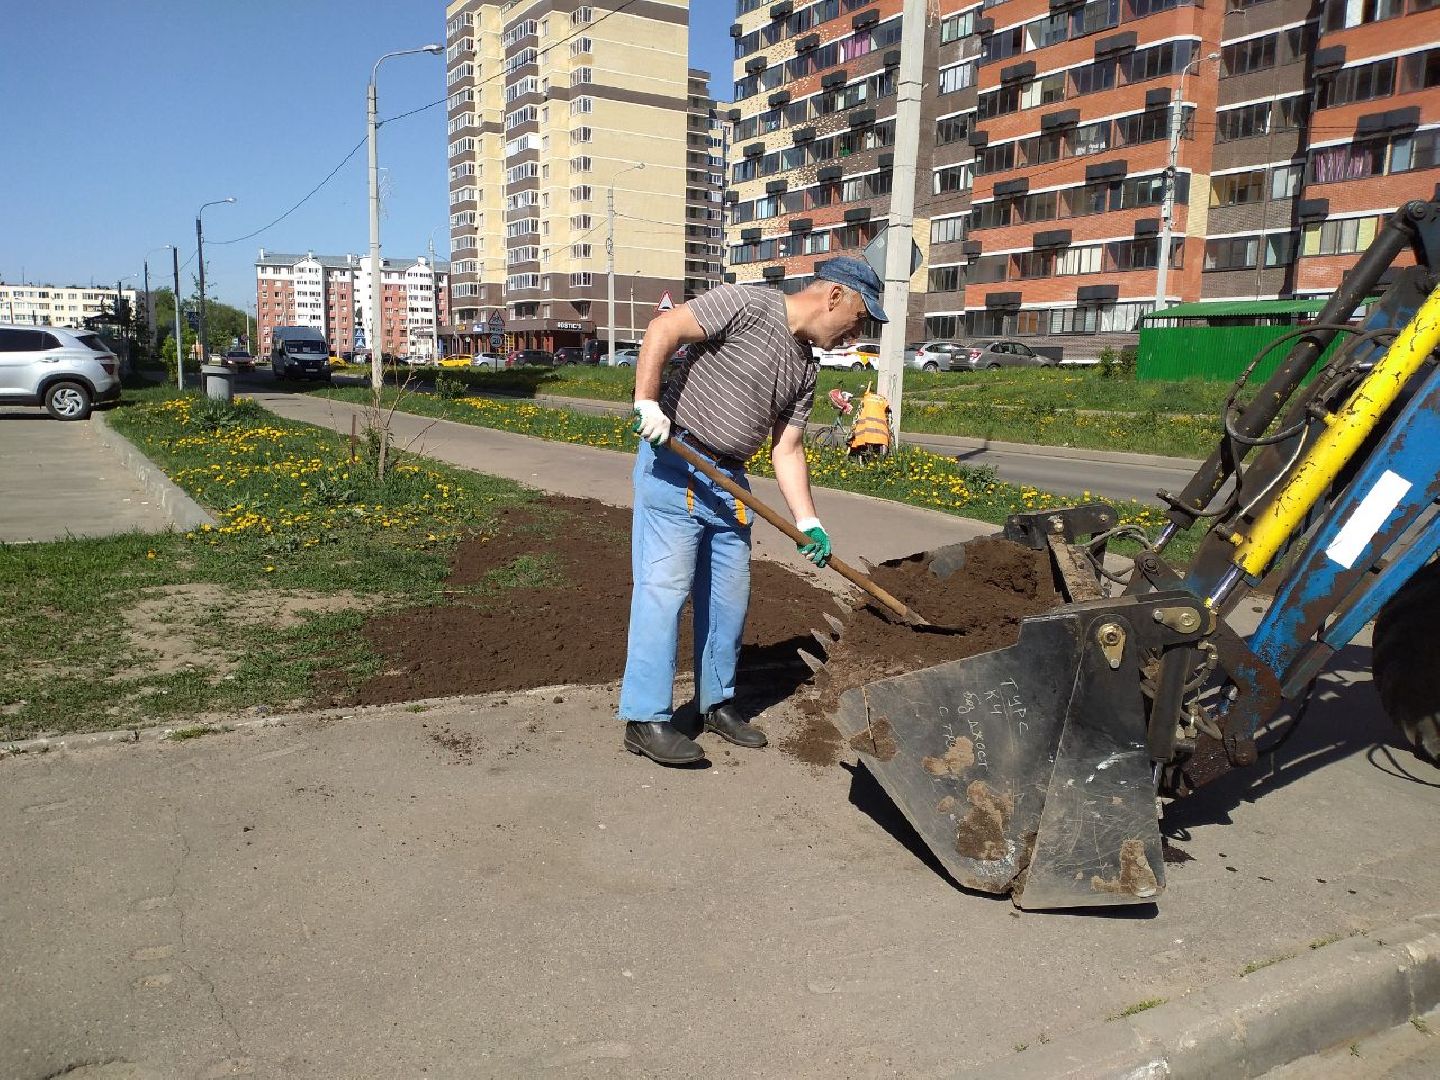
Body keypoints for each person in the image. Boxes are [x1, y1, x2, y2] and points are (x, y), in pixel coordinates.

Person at [620, 257, 889, 766]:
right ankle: (644, 718)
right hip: (675, 460)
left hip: (730, 485)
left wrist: (808, 521)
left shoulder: (807, 367)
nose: (854, 334)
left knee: (728, 601)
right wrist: (647, 402)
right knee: (665, 592)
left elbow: (786, 449)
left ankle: (715, 702)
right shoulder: (745, 302)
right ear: (833, 295)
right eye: (857, 317)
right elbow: (664, 327)